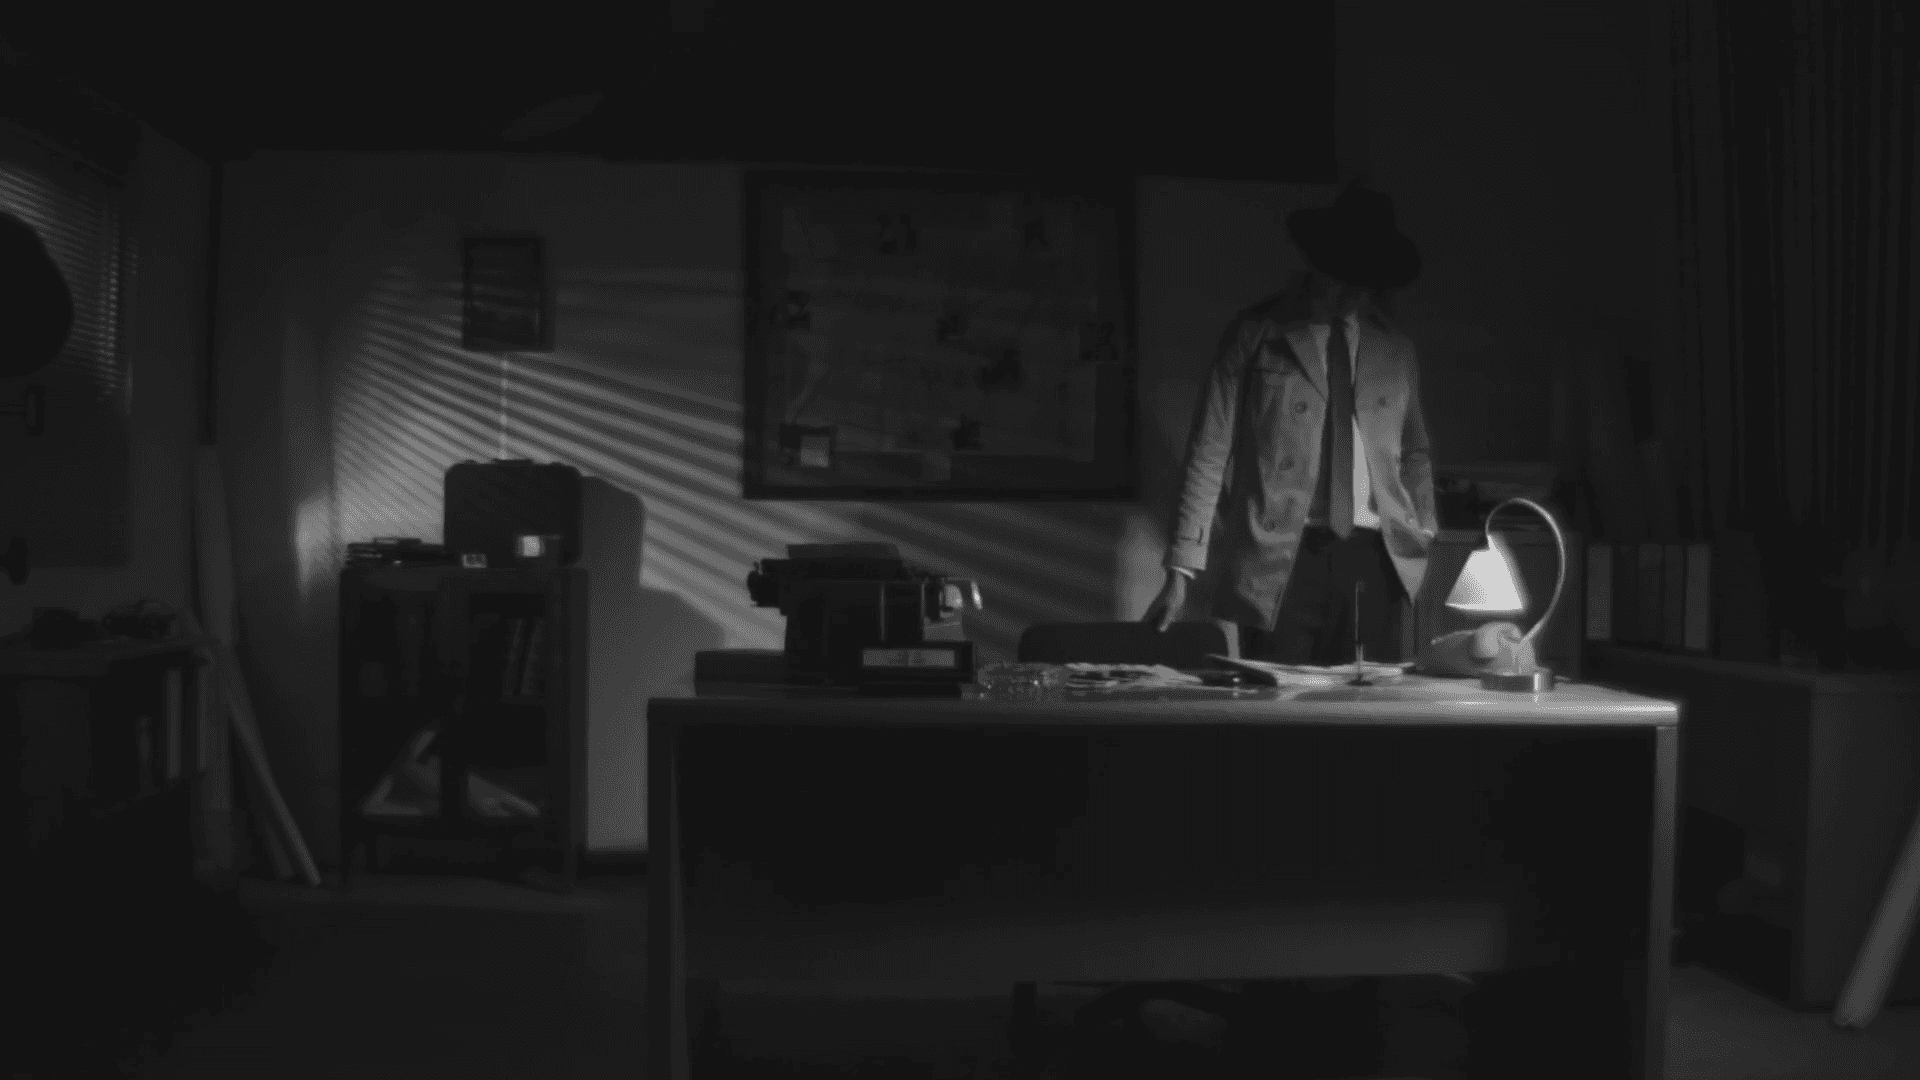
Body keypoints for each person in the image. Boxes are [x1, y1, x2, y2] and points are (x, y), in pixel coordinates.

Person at [1142, 181, 1438, 665]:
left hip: (1376, 556)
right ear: (1319, 263)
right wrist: (1181, 567)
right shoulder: (1257, 335)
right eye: (1343, 275)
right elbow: (1209, 452)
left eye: (1365, 281)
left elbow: (1415, 451)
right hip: (1280, 553)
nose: (1351, 292)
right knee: (1279, 694)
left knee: (1369, 699)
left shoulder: (1394, 348)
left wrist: (1423, 526)